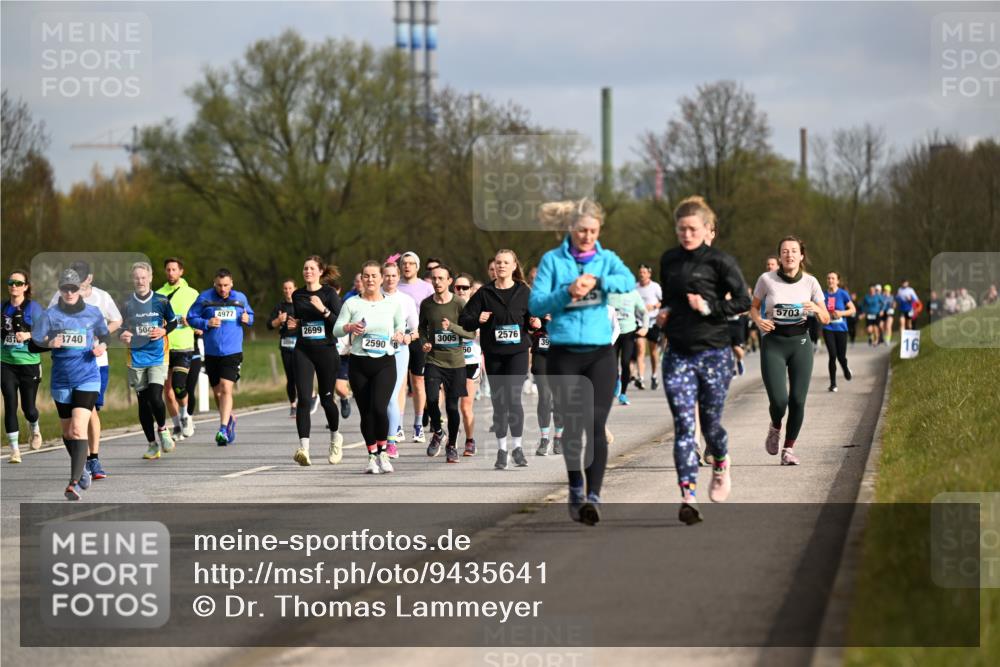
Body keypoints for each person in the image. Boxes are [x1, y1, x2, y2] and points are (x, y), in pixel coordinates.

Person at [529, 197, 635, 525]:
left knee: (595, 423)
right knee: (573, 426)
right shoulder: (552, 260)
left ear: (599, 230)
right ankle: (576, 484)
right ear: (571, 230)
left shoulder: (606, 259)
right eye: (581, 230)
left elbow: (628, 282)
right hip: (564, 355)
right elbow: (535, 305)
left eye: (592, 230)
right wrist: (567, 293)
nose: (587, 236)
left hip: (600, 353)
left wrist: (599, 282)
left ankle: (594, 497)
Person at [656, 197, 749, 524]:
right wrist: (664, 314)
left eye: (692, 228)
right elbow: (668, 297)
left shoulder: (721, 262)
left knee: (710, 426)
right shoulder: (668, 260)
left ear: (707, 230)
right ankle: (688, 495)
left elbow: (743, 301)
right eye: (681, 229)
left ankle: (721, 462)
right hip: (678, 353)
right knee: (684, 427)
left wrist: (709, 308)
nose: (686, 234)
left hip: (714, 353)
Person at [751, 236, 829, 467]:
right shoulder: (767, 279)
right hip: (773, 343)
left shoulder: (811, 282)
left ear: (801, 256)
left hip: (800, 344)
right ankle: (775, 425)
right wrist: (758, 321)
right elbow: (753, 308)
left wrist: (815, 308)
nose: (789, 255)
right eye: (785, 251)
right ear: (779, 256)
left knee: (797, 400)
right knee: (779, 400)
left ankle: (788, 449)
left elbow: (826, 317)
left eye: (794, 251)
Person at [33, 269, 111, 500]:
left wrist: (102, 347)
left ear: (80, 290)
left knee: (78, 428)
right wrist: (50, 343)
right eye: (65, 288)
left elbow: (105, 335)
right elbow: (33, 345)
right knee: (67, 432)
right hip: (61, 379)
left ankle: (73, 483)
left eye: (73, 288)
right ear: (60, 289)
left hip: (87, 377)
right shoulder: (50, 315)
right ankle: (82, 468)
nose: (69, 292)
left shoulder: (93, 312)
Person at [460, 250, 540, 469]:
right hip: (494, 354)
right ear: (493, 266)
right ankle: (502, 450)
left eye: (506, 262)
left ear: (514, 266)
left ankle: (518, 448)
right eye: (498, 262)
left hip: (518, 353)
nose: (501, 266)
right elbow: (465, 320)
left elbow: (537, 315)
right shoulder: (484, 293)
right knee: (499, 402)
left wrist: (536, 323)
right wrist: (478, 318)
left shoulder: (524, 291)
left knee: (513, 398)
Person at [48, 260, 122, 480]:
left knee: (91, 412)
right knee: (74, 423)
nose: (75, 286)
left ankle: (93, 458)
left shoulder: (101, 297)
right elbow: (48, 326)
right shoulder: (60, 298)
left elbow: (117, 320)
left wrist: (99, 337)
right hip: (68, 365)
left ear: (89, 279)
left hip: (96, 362)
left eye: (79, 281)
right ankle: (83, 461)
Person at [333, 261, 406, 474]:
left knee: (379, 408)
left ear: (382, 278)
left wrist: (400, 334)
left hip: (384, 362)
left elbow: (400, 325)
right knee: (366, 413)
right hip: (359, 362)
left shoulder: (392, 304)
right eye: (366, 276)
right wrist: (349, 327)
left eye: (374, 275)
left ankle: (384, 452)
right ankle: (372, 456)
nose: (370, 279)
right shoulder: (352, 304)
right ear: (361, 279)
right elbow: (337, 330)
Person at [187, 268, 254, 446]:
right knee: (217, 393)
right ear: (213, 284)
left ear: (231, 284)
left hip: (232, 352)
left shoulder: (240, 298)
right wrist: (206, 323)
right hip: (212, 352)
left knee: (226, 388)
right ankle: (229, 418)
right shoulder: (205, 298)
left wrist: (248, 319)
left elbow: (250, 315)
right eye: (219, 285)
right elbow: (191, 317)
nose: (222, 289)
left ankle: (223, 428)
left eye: (226, 285)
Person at [119, 262, 179, 459]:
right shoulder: (127, 304)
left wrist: (163, 330)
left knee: (155, 396)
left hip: (158, 356)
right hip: (136, 358)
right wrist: (123, 334)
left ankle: (163, 429)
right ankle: (152, 445)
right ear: (133, 280)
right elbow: (119, 326)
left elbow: (172, 321)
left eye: (144, 277)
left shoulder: (161, 301)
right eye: (137, 278)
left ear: (151, 278)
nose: (140, 281)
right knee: (143, 403)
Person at [290, 256, 345, 467]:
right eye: (305, 268)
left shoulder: (329, 293)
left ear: (320, 271)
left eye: (312, 268)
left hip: (327, 351)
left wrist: (323, 309)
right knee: (303, 399)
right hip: (303, 350)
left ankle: (335, 438)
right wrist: (295, 323)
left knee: (326, 399)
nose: (308, 272)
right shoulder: (298, 294)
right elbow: (301, 320)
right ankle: (303, 448)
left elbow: (339, 324)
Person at [419, 264, 475, 463]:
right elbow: (422, 328)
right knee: (432, 400)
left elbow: (471, 333)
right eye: (434, 278)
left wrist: (451, 327)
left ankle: (452, 445)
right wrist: (424, 341)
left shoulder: (460, 304)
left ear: (450, 281)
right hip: (434, 360)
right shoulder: (426, 304)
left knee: (452, 407)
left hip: (456, 363)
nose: (437, 282)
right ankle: (438, 432)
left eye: (441, 278)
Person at [156, 257, 201, 442]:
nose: (171, 273)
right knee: (167, 390)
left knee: (179, 386)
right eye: (168, 269)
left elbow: (200, 316)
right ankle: (176, 425)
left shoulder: (192, 293)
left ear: (181, 271)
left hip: (184, 346)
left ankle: (185, 416)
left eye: (174, 269)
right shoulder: (158, 294)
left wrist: (196, 324)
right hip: (164, 346)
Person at [3, 270, 44, 463]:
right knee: (10, 404)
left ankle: (34, 427)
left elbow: (46, 332)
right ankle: (15, 450)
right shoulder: (3, 307)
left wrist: (28, 335)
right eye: (11, 282)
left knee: (29, 409)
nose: (14, 286)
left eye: (18, 283)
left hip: (29, 363)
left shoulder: (33, 308)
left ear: (26, 287)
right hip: (6, 363)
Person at [381, 261, 418, 459]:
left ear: (398, 277)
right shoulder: (373, 297)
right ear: (381, 277)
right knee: (377, 399)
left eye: (393, 275)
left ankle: (391, 442)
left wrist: (408, 337)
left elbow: (415, 329)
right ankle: (380, 439)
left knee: (391, 396)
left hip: (399, 351)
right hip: (375, 351)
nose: (390, 279)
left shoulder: (406, 300)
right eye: (386, 275)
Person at [397, 251, 434, 443]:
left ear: (417, 267)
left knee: (419, 382)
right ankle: (398, 425)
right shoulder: (395, 285)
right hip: (399, 339)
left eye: (411, 263)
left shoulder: (426, 288)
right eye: (404, 263)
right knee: (401, 384)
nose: (407, 266)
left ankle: (418, 426)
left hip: (419, 339)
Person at [453, 273, 481, 456]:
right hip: (450, 362)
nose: (461, 291)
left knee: (465, 406)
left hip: (470, 360)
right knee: (450, 405)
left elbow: (480, 333)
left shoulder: (478, 308)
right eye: (458, 287)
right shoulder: (448, 307)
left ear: (471, 289)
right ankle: (452, 440)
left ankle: (470, 440)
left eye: (465, 287)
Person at [267, 279, 301, 418]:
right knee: (291, 377)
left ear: (295, 289)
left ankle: (307, 399)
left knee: (301, 375)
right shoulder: (279, 306)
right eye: (285, 288)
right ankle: (293, 405)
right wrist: (278, 321)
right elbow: (269, 325)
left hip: (301, 345)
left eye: (290, 288)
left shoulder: (301, 304)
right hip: (286, 345)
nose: (288, 291)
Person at [607, 288, 646, 405]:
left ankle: (623, 394)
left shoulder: (633, 293)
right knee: (612, 363)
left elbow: (644, 311)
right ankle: (616, 380)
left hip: (628, 333)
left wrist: (645, 327)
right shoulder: (608, 293)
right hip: (613, 333)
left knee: (625, 362)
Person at [822, 272, 855, 393]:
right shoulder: (823, 295)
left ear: (837, 281)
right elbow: (818, 311)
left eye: (833, 278)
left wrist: (841, 313)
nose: (830, 280)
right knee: (832, 355)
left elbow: (852, 309)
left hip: (841, 329)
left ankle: (846, 369)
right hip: (828, 328)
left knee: (841, 357)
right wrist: (822, 316)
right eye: (828, 278)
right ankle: (833, 384)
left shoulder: (843, 294)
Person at [633, 264, 662, 391]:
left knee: (653, 351)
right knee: (640, 348)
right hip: (639, 322)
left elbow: (663, 301)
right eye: (640, 272)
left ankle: (654, 375)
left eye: (644, 272)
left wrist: (654, 306)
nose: (642, 274)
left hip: (653, 321)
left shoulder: (655, 287)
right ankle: (641, 378)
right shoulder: (634, 287)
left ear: (649, 274)